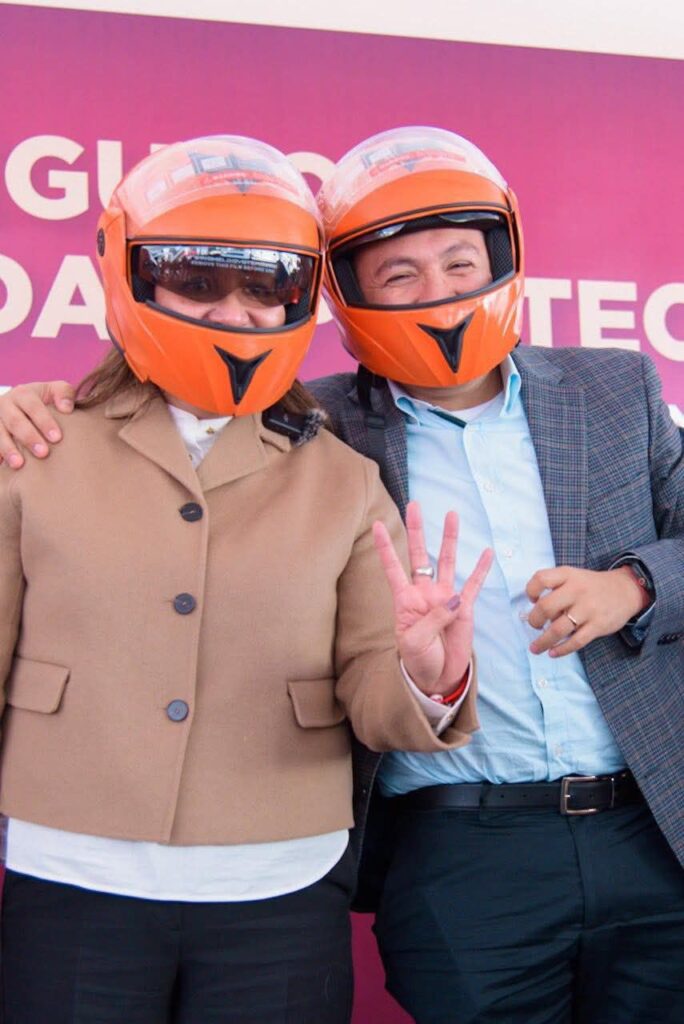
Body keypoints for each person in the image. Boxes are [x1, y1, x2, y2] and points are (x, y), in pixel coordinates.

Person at [3, 126, 683, 1023]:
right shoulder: (306, 428)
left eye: (459, 262)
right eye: (400, 275)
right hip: (441, 843)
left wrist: (627, 588)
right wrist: (24, 405)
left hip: (637, 821)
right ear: (346, 292)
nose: (438, 293)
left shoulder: (606, 393)